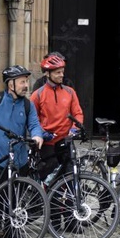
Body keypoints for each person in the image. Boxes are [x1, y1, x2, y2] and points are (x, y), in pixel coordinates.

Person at [0, 65, 44, 187]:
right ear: (11, 85)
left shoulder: (28, 105)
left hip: (20, 160)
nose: (26, 85)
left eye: (26, 81)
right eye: (22, 82)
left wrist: (37, 135)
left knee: (18, 200)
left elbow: (34, 124)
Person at [30, 54, 84, 182]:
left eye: (62, 72)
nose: (62, 75)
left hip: (66, 140)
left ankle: (71, 201)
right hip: (48, 142)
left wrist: (75, 128)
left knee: (72, 175)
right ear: (47, 74)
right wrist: (41, 133)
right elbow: (32, 118)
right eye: (58, 72)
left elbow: (78, 114)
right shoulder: (37, 95)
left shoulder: (70, 92)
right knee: (49, 175)